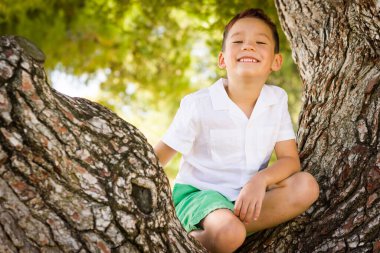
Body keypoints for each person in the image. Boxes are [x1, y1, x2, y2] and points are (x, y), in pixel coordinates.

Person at [154, 8, 319, 253]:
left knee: (307, 186)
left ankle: (228, 230)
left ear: (276, 61)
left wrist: (260, 181)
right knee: (230, 234)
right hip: (200, 196)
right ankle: (184, 239)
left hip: (246, 195)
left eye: (260, 42)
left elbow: (290, 160)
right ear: (222, 59)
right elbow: (159, 157)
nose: (248, 46)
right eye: (238, 41)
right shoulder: (199, 104)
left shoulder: (277, 100)